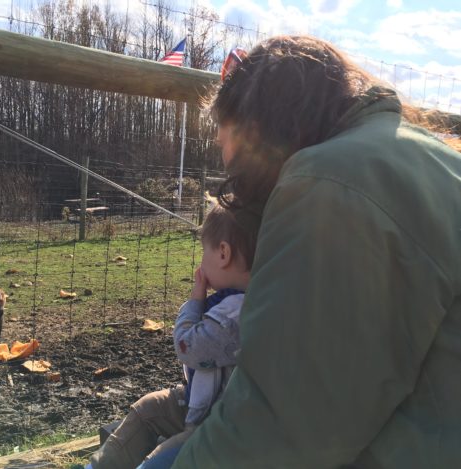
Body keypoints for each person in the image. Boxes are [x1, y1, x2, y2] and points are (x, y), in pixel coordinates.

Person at [171, 35, 461, 468]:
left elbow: (284, 426)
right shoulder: (431, 154)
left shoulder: (326, 184)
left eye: (222, 131)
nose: (220, 149)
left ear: (254, 124)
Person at [88, 202, 262, 469]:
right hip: (204, 403)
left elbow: (187, 346)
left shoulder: (234, 316)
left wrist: (195, 299)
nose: (201, 261)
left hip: (219, 426)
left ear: (223, 253)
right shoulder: (251, 301)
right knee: (150, 408)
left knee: (160, 461)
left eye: (204, 252)